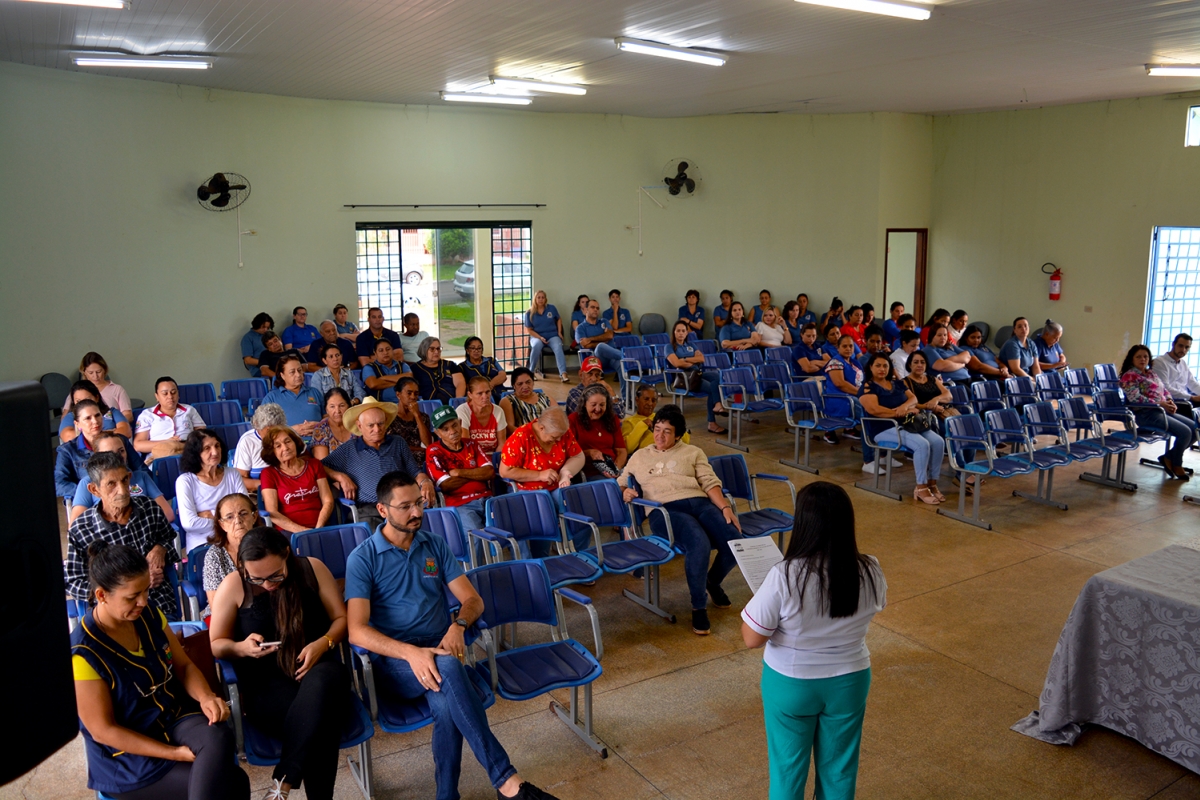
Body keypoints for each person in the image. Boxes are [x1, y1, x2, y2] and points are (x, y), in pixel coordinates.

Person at [345, 471, 561, 800]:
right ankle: (508, 783)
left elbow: (472, 600)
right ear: (383, 510)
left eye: (419, 503)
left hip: (439, 651)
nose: (417, 512)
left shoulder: (433, 544)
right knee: (447, 668)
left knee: (446, 706)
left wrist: (457, 626)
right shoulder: (363, 559)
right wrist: (410, 653)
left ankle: (447, 796)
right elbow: (356, 630)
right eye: (406, 507)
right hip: (394, 665)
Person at [740, 481, 886, 800]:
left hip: (792, 683)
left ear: (803, 522)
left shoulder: (784, 574)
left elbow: (752, 637)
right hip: (849, 681)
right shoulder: (870, 569)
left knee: (788, 773)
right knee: (839, 771)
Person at [71, 542, 245, 800]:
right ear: (101, 595)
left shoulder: (148, 614)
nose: (142, 602)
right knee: (233, 783)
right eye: (132, 597)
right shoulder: (84, 652)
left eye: (145, 592)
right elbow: (103, 730)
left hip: (168, 718)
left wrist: (206, 696)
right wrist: (173, 753)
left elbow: (184, 666)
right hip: (128, 759)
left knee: (219, 735)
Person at [209, 527, 349, 800]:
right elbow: (217, 644)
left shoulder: (311, 569)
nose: (267, 584)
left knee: (324, 683)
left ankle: (282, 782)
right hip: (268, 689)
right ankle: (288, 786)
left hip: (320, 672)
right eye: (257, 578)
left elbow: (341, 620)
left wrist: (324, 643)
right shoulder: (234, 584)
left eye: (275, 575)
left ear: (287, 555)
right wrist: (242, 648)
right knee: (320, 722)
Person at [618, 405, 742, 636]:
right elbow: (622, 480)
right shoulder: (640, 456)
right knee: (699, 543)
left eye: (667, 431)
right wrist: (625, 491)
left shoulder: (693, 451)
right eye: (657, 429)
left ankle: (711, 582)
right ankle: (698, 605)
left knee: (735, 541)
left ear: (678, 435)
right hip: (664, 510)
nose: (660, 435)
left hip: (700, 503)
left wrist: (725, 507)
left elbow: (708, 481)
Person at [64, 451, 180, 619]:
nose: (122, 490)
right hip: (112, 615)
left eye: (124, 480)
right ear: (94, 490)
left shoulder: (149, 508)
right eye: (111, 484)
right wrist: (120, 590)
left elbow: (168, 538)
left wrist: (160, 549)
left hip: (156, 604)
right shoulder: (81, 530)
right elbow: (73, 581)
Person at [321, 397, 437, 530]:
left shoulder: (397, 442)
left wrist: (425, 482)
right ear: (359, 426)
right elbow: (319, 467)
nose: (377, 429)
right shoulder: (349, 449)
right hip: (370, 511)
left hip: (402, 505)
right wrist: (340, 477)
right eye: (371, 425)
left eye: (380, 424)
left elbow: (415, 472)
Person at [858, 354, 946, 505]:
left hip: (909, 423)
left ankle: (932, 483)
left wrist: (905, 406)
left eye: (885, 366)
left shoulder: (897, 383)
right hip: (883, 428)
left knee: (938, 442)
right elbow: (874, 410)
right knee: (921, 444)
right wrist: (899, 412)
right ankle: (921, 487)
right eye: (878, 365)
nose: (882, 369)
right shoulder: (868, 387)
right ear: (870, 368)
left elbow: (914, 399)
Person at [1119, 344, 1198, 480]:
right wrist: (1160, 403)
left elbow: (1164, 390)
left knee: (1196, 429)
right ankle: (1177, 464)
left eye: (1145, 356)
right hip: (1147, 414)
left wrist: (1169, 401)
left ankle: (1168, 457)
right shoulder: (1129, 376)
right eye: (1138, 357)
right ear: (1132, 359)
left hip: (1163, 410)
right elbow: (1135, 398)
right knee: (1185, 432)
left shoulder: (1151, 373)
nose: (1143, 359)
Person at [70, 431, 173, 524]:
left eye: (121, 451)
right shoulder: (88, 483)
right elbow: (76, 525)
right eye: (110, 453)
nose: (118, 456)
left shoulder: (141, 476)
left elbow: (168, 513)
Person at [176, 429, 246, 553]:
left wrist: (211, 514)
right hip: (204, 544)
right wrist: (230, 519)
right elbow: (190, 524)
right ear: (196, 454)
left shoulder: (232, 474)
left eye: (217, 446)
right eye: (207, 448)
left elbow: (246, 510)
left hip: (237, 539)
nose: (215, 452)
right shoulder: (185, 481)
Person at [426, 405, 494, 534]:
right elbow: (446, 485)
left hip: (487, 499)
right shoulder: (434, 451)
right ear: (437, 433)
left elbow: (489, 472)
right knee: (476, 536)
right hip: (461, 504)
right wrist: (475, 472)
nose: (452, 431)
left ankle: (524, 555)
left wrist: (459, 472)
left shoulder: (471, 443)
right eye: (445, 429)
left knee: (512, 527)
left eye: (455, 425)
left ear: (461, 423)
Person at [56, 399, 142, 498]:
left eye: (97, 415)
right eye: (88, 418)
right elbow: (59, 484)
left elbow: (141, 469)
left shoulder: (119, 440)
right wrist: (90, 492)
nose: (95, 421)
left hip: (129, 493)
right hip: (93, 501)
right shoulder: (68, 450)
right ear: (77, 424)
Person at [260, 426, 335, 533]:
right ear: (272, 452)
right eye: (278, 446)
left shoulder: (314, 465)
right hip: (289, 531)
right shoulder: (268, 473)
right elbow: (272, 512)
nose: (285, 448)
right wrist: (304, 531)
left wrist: (318, 528)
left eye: (288, 442)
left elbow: (328, 501)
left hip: (320, 527)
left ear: (295, 443)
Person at [499, 407, 583, 494]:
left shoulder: (561, 431)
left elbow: (578, 456)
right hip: (528, 491)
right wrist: (539, 475)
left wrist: (565, 471)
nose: (559, 440)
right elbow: (505, 472)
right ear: (541, 428)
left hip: (558, 487)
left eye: (561, 436)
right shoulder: (521, 437)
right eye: (554, 437)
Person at [202, 493, 261, 612]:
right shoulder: (215, 555)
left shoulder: (267, 545)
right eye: (229, 517)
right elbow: (216, 606)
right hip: (226, 614)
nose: (238, 521)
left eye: (243, 514)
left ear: (254, 517)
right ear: (222, 524)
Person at [666, 319, 724, 433]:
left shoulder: (691, 344)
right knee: (712, 388)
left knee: (717, 376)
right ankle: (712, 422)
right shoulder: (669, 347)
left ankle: (717, 404)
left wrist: (685, 359)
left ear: (687, 333)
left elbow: (701, 359)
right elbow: (676, 363)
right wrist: (693, 360)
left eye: (683, 331)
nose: (681, 333)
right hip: (684, 377)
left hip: (697, 373)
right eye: (678, 331)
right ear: (674, 332)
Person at [134, 377, 206, 460]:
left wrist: (185, 444)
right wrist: (166, 443)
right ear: (157, 396)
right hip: (160, 456)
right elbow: (138, 445)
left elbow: (202, 435)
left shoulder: (189, 410)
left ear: (178, 394)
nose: (170, 397)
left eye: (173, 392)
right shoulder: (147, 415)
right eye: (165, 393)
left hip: (188, 452)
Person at [569, 384, 627, 479]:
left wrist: (615, 469)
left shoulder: (612, 419)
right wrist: (589, 453)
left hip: (612, 468)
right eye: (593, 405)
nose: (598, 409)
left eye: (602, 405)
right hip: (588, 472)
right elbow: (569, 453)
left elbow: (621, 450)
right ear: (584, 403)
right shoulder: (573, 420)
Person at [262, 354, 324, 439]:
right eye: (292, 372)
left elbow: (327, 416)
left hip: (319, 441)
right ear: (282, 375)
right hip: (288, 445)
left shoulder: (314, 392)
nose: (298, 375)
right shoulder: (271, 398)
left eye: (300, 370)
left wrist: (319, 425)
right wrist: (291, 430)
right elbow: (264, 430)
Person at [622, 383, 692, 454]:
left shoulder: (663, 417)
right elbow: (627, 449)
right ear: (637, 400)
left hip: (674, 453)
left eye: (653, 400)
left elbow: (686, 440)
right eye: (646, 399)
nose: (650, 403)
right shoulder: (629, 422)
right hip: (651, 457)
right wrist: (641, 425)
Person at [63, 353, 133, 423]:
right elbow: (65, 418)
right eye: (91, 373)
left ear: (104, 370)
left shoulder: (117, 390)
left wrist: (116, 426)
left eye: (98, 372)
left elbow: (128, 415)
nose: (95, 376)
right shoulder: (77, 392)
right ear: (84, 372)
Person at [233, 402, 287, 492]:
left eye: (277, 429)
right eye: (268, 430)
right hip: (260, 490)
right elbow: (240, 479)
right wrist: (269, 486)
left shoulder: (288, 435)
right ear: (257, 426)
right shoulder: (247, 441)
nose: (273, 435)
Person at [59, 379, 133, 442]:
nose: (84, 404)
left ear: (97, 397)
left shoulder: (112, 412)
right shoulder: (71, 417)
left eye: (87, 399)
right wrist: (111, 432)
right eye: (78, 401)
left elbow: (126, 432)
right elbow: (68, 437)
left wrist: (88, 435)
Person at [822, 336, 864, 445]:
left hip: (853, 396)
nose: (848, 348)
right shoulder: (835, 362)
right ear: (838, 348)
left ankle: (850, 429)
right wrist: (861, 394)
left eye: (851, 346)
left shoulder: (854, 362)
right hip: (840, 398)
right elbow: (840, 384)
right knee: (869, 409)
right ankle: (872, 439)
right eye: (844, 346)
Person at [524, 290, 569, 382]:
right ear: (535, 299)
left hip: (552, 335)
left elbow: (559, 319)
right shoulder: (529, 312)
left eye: (542, 297)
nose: (541, 299)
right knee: (536, 346)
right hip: (537, 336)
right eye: (538, 297)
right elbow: (529, 330)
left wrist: (559, 332)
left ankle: (563, 373)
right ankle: (531, 372)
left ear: (546, 299)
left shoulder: (551, 308)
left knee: (558, 347)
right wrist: (540, 338)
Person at [456, 375, 508, 455]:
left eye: (487, 392)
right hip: (472, 456)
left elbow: (501, 444)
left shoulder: (498, 411)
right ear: (470, 395)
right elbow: (466, 445)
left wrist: (497, 462)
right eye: (480, 393)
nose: (485, 396)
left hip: (493, 457)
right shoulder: (462, 411)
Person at [1152, 333, 1200, 418]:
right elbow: (1165, 388)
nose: (1183, 350)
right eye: (1180, 346)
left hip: (1186, 400)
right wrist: (1191, 397)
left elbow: (1192, 383)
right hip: (1173, 402)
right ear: (1173, 344)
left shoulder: (1183, 363)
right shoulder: (1159, 362)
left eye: (1187, 347)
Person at [574, 299, 623, 376]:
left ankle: (624, 388)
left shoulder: (604, 321)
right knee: (600, 346)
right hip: (594, 360)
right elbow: (586, 345)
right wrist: (603, 341)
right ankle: (626, 356)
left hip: (611, 358)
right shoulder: (580, 328)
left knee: (622, 365)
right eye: (593, 307)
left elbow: (610, 335)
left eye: (597, 308)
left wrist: (590, 339)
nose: (595, 310)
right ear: (586, 309)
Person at [499, 367, 552, 435]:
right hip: (524, 439)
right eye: (520, 384)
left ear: (533, 382)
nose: (525, 386)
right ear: (514, 386)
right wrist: (533, 435)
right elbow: (510, 428)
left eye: (528, 382)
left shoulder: (545, 397)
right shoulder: (508, 401)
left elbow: (559, 418)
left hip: (548, 436)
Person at [413, 338, 466, 402]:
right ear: (424, 350)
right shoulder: (415, 368)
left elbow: (460, 383)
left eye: (438, 349)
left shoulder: (450, 365)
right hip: (428, 404)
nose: (436, 352)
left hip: (451, 402)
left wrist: (457, 401)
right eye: (432, 349)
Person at [389, 377, 433, 451]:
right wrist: (420, 450)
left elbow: (427, 443)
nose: (413, 397)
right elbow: (392, 447)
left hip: (422, 457)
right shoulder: (390, 417)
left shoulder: (423, 417)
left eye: (416, 394)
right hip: (400, 457)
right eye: (409, 393)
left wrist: (417, 415)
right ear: (398, 395)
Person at [459, 336, 508, 402]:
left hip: (500, 393)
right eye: (473, 348)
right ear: (467, 350)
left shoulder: (491, 360)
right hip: (481, 398)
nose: (476, 351)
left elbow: (503, 375)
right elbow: (466, 386)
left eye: (479, 348)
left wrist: (490, 384)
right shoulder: (462, 367)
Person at [311, 388, 354, 460]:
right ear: (326, 410)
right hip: (332, 471)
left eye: (342, 405)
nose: (337, 411)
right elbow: (323, 464)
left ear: (348, 406)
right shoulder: (321, 429)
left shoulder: (357, 425)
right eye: (332, 406)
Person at [242, 312, 275, 376]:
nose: (265, 330)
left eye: (267, 328)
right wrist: (266, 362)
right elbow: (248, 360)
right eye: (263, 327)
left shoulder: (269, 335)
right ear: (257, 324)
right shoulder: (248, 338)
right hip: (258, 370)